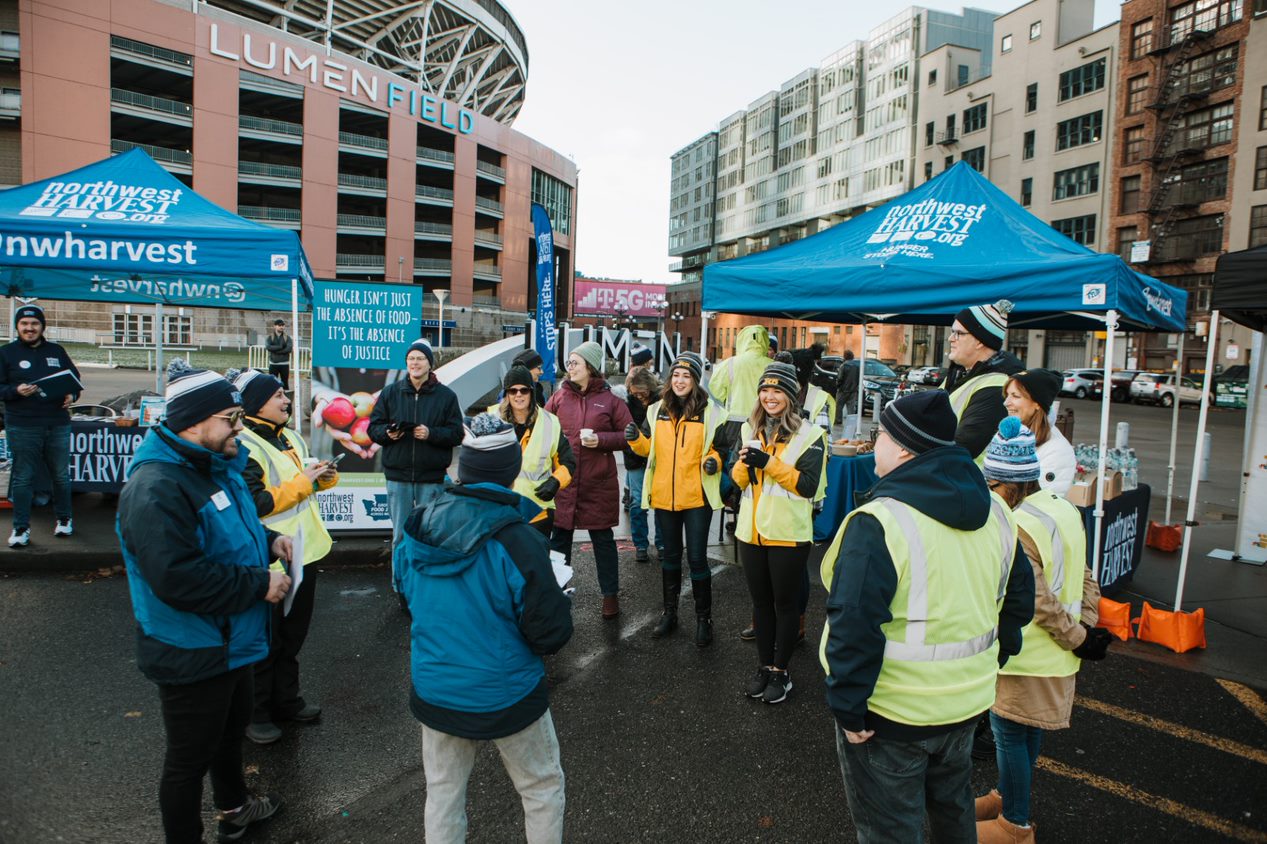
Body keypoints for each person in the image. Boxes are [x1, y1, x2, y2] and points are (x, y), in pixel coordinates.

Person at [819, 390, 1035, 844]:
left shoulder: (880, 520)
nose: (873, 442)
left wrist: (848, 708)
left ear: (902, 447)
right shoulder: (996, 510)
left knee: (890, 830)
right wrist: (990, 664)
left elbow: (854, 624)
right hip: (965, 704)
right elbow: (1017, 601)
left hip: (892, 712)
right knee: (953, 812)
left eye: (879, 434)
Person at [117, 360, 292, 843]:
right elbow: (177, 578)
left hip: (229, 640)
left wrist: (269, 537)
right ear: (194, 423)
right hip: (191, 649)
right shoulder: (157, 488)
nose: (240, 428)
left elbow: (232, 526)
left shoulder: (214, 463)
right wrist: (259, 584)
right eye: (231, 418)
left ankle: (234, 808)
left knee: (228, 734)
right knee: (187, 761)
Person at [397, 412, 573, 844]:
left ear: (465, 466)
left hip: (437, 688)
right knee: (541, 788)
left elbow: (406, 595)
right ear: (511, 470)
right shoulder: (519, 539)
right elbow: (549, 633)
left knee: (443, 795)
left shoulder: (419, 525)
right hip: (505, 691)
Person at [975, 418, 1111, 843]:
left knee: (1010, 733)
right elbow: (1087, 574)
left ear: (1005, 483)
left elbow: (1036, 601)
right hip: (1057, 654)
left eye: (991, 483)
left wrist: (1077, 636)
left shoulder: (1016, 525)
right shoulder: (1062, 507)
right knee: (1024, 731)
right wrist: (1085, 627)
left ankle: (1014, 824)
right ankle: (1006, 796)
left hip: (1026, 653)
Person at [231, 368, 338, 746]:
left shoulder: (289, 434)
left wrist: (322, 478)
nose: (287, 401)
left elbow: (301, 481)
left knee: (292, 637)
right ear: (258, 403)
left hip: (303, 552)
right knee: (265, 639)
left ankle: (286, 701)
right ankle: (256, 714)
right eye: (278, 396)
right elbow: (255, 502)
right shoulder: (243, 443)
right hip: (269, 556)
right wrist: (302, 484)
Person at [733, 362, 827, 704]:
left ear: (790, 395)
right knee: (760, 605)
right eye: (765, 390)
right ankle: (764, 666)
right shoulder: (749, 428)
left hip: (788, 535)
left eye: (777, 391)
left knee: (785, 605)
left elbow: (808, 486)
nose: (769, 397)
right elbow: (738, 480)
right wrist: (744, 464)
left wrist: (768, 463)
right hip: (751, 532)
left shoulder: (811, 435)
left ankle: (781, 671)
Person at [625, 353, 724, 645]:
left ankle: (704, 619)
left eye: (687, 376)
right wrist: (635, 439)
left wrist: (714, 462)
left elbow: (721, 449)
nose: (680, 381)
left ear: (695, 380)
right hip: (665, 496)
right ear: (670, 380)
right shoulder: (656, 409)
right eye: (676, 376)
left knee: (696, 558)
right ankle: (669, 614)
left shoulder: (710, 411)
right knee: (669, 556)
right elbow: (647, 449)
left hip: (696, 497)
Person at [367, 339, 464, 593]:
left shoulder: (446, 397)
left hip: (430, 478)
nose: (415, 363)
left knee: (428, 535)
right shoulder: (391, 393)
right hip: (397, 477)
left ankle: (426, 587)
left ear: (429, 364)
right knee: (399, 535)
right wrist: (388, 434)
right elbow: (373, 429)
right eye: (411, 359)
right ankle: (400, 586)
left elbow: (456, 434)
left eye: (420, 358)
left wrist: (430, 433)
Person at [546, 341, 634, 619]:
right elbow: (543, 428)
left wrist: (601, 440)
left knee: (602, 540)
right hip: (565, 482)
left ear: (590, 367)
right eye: (569, 363)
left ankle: (610, 596)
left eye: (575, 362)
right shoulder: (560, 397)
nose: (569, 367)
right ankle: (558, 591)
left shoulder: (611, 401)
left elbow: (630, 436)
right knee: (559, 538)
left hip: (599, 483)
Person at [1, 304, 81, 547]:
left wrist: (72, 396)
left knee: (61, 475)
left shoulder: (56, 351)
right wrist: (16, 390)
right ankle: (21, 529)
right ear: (17, 327)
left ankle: (64, 519)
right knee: (24, 478)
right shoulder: (6, 353)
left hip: (57, 423)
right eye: (24, 324)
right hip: (22, 425)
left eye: (34, 324)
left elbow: (75, 381)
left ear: (42, 326)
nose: (29, 328)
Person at [940, 299, 1024, 463]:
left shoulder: (997, 385)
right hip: (946, 477)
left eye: (959, 333)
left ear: (979, 340)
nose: (951, 338)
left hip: (966, 482)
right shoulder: (959, 374)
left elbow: (964, 446)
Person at [497, 366, 575, 538]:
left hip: (538, 510)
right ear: (507, 394)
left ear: (531, 392)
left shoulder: (550, 422)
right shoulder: (492, 421)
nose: (518, 395)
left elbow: (568, 462)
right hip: (500, 508)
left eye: (524, 390)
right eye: (513, 390)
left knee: (535, 563)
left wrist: (555, 481)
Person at [1003, 369, 1076, 495]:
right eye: (1007, 395)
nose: (1006, 403)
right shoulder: (1009, 437)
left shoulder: (1056, 451)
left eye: (1015, 396)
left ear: (1037, 403)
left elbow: (1041, 507)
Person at [623, 367, 663, 562]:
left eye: (642, 391)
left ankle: (662, 543)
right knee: (637, 501)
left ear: (650, 387)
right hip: (634, 457)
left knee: (660, 501)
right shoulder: (626, 402)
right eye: (634, 391)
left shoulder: (661, 401)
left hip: (658, 456)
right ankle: (640, 544)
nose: (638, 395)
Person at [265, 319, 292, 390]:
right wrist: (280, 347)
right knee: (272, 384)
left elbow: (289, 349)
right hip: (273, 364)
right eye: (279, 325)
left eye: (283, 325)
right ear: (275, 326)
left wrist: (275, 351)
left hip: (285, 364)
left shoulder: (287, 337)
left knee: (285, 384)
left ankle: (286, 399)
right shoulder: (270, 337)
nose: (281, 327)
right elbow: (268, 347)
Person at [835, 349, 858, 424]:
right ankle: (851, 422)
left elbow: (840, 378)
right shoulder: (856, 366)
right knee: (851, 408)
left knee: (839, 406)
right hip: (853, 390)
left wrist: (838, 385)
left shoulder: (843, 366)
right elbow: (858, 378)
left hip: (843, 390)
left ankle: (838, 420)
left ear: (845, 356)